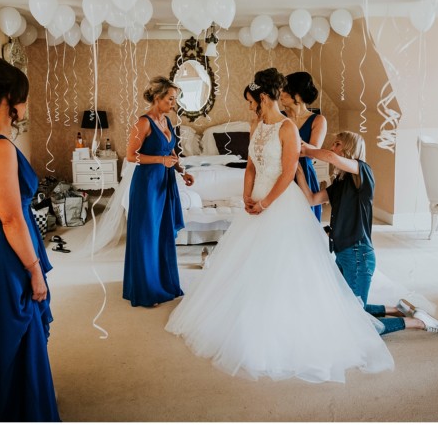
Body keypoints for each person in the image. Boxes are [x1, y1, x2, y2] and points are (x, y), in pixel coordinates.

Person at [166, 68, 393, 382]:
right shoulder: (256, 124)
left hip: (280, 204)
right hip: (256, 201)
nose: (249, 108)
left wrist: (265, 202)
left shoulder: (288, 127)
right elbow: (250, 165)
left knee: (285, 266)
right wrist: (247, 195)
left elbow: (288, 173)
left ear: (262, 97)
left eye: (250, 102)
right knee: (248, 263)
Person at [0, 56, 60, 422]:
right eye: (23, 97)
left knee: (6, 333)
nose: (26, 104)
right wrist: (34, 269)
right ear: (9, 99)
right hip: (7, 255)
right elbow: (10, 219)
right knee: (14, 333)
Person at [297, 130, 438, 337]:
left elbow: (330, 157)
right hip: (344, 254)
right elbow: (312, 199)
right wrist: (297, 170)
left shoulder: (363, 172)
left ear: (349, 149)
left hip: (358, 255)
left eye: (337, 144)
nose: (333, 148)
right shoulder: (340, 184)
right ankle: (395, 309)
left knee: (355, 325)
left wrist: (307, 150)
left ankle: (417, 322)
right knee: (344, 305)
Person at [123, 77, 194, 307]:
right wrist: (159, 160)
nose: (174, 103)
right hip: (146, 185)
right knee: (147, 235)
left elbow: (170, 151)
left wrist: (181, 170)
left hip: (165, 183)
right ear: (157, 98)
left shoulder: (167, 122)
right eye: (170, 99)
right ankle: (146, 290)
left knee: (162, 233)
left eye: (175, 99)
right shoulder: (143, 123)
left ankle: (164, 283)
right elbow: (131, 155)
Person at [280, 71, 327, 221]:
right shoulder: (279, 118)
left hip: (304, 173)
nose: (281, 93)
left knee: (305, 218)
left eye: (285, 90)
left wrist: (290, 142)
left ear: (298, 95)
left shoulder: (318, 120)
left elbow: (312, 151)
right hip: (278, 171)